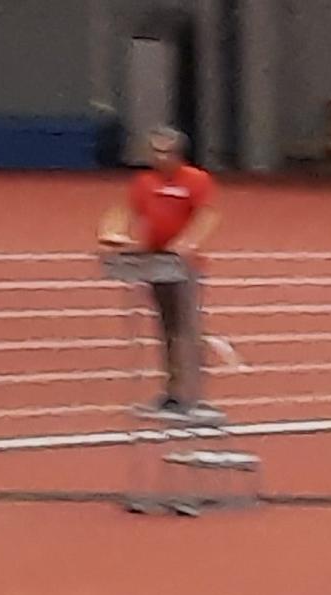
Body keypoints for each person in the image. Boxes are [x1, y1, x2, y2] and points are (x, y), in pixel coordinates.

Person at [98, 125, 222, 419]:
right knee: (167, 330)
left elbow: (207, 215)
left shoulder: (195, 180)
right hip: (155, 263)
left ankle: (192, 397)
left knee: (186, 330)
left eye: (165, 152)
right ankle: (173, 393)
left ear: (178, 154)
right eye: (155, 151)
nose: (159, 157)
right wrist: (112, 232)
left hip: (183, 267)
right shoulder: (145, 182)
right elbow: (124, 211)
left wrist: (188, 243)